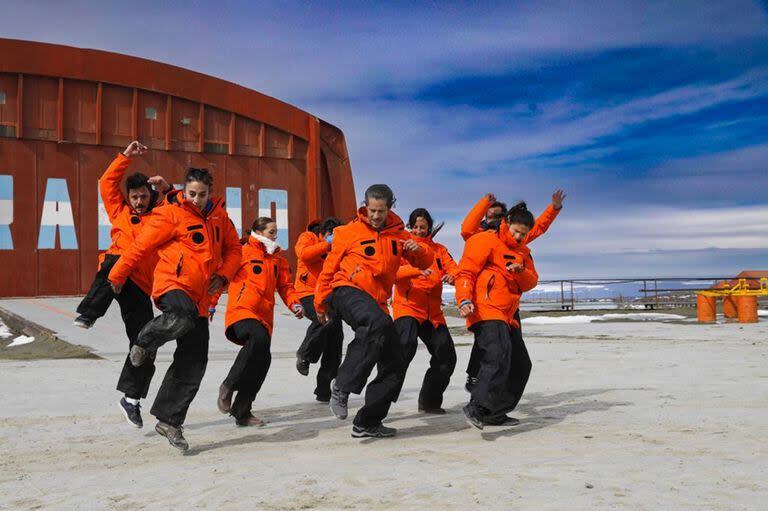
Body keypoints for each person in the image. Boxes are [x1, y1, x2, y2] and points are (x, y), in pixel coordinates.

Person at [108, 166, 242, 451]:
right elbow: (140, 246)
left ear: (210, 192)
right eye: (191, 193)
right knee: (181, 315)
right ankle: (144, 340)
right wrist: (117, 275)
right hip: (172, 285)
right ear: (185, 190)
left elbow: (235, 250)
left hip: (201, 298)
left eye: (202, 194)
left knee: (194, 361)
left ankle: (170, 420)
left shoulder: (220, 217)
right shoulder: (171, 213)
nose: (196, 199)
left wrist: (224, 276)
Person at [314, 184, 433, 438]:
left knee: (396, 361)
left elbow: (426, 261)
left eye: (381, 211)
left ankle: (368, 421)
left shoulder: (399, 235)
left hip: (377, 303)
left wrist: (419, 250)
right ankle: (342, 385)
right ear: (364, 206)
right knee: (376, 323)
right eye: (371, 210)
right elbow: (329, 268)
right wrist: (320, 303)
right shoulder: (347, 232)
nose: (376, 216)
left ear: (389, 208)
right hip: (346, 289)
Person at [74, 141, 171, 428]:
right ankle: (90, 312)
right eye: (135, 197)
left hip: (139, 285)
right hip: (114, 272)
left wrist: (166, 189)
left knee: (145, 342)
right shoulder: (119, 211)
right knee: (114, 259)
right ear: (128, 198)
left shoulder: (161, 216)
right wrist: (125, 157)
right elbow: (106, 183)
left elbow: (181, 208)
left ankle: (131, 399)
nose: (139, 201)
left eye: (144, 196)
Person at [462, 189, 565, 391]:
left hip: (509, 301)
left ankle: (492, 401)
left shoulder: (518, 238)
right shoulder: (481, 235)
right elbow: (466, 229)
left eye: (499, 215)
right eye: (491, 214)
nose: (494, 218)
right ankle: (475, 378)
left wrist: (554, 208)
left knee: (508, 351)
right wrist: (484, 202)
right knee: (488, 343)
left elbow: (538, 227)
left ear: (506, 219)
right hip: (485, 299)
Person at [455, 202, 540, 429]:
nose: (519, 237)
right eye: (515, 231)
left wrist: (521, 272)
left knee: (522, 364)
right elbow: (466, 271)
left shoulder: (524, 253)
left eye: (524, 234)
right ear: (507, 223)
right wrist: (463, 298)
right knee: (497, 352)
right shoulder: (485, 240)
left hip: (509, 313)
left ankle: (493, 412)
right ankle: (477, 406)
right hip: (485, 307)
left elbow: (532, 281)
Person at [214, 217, 304, 426]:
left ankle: (242, 412)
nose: (275, 236)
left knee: (263, 360)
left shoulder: (278, 260)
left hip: (264, 317)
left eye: (276, 232)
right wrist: (210, 303)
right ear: (258, 232)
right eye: (271, 232)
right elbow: (221, 278)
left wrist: (295, 304)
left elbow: (285, 287)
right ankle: (228, 385)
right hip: (241, 311)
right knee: (257, 338)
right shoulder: (242, 252)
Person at [392, 208, 458, 414]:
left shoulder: (439, 250)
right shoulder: (402, 247)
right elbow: (393, 272)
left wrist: (453, 277)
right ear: (410, 227)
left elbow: (454, 269)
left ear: (429, 227)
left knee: (446, 357)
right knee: (404, 349)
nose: (419, 231)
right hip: (407, 307)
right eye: (415, 227)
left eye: (423, 227)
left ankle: (429, 402)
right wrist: (416, 270)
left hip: (433, 313)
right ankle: (382, 398)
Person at [294, 216, 345, 402]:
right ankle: (305, 354)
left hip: (328, 295)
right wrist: (327, 244)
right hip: (306, 292)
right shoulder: (308, 237)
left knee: (335, 343)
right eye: (332, 236)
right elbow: (304, 254)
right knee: (325, 319)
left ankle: (324, 391)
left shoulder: (339, 248)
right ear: (324, 233)